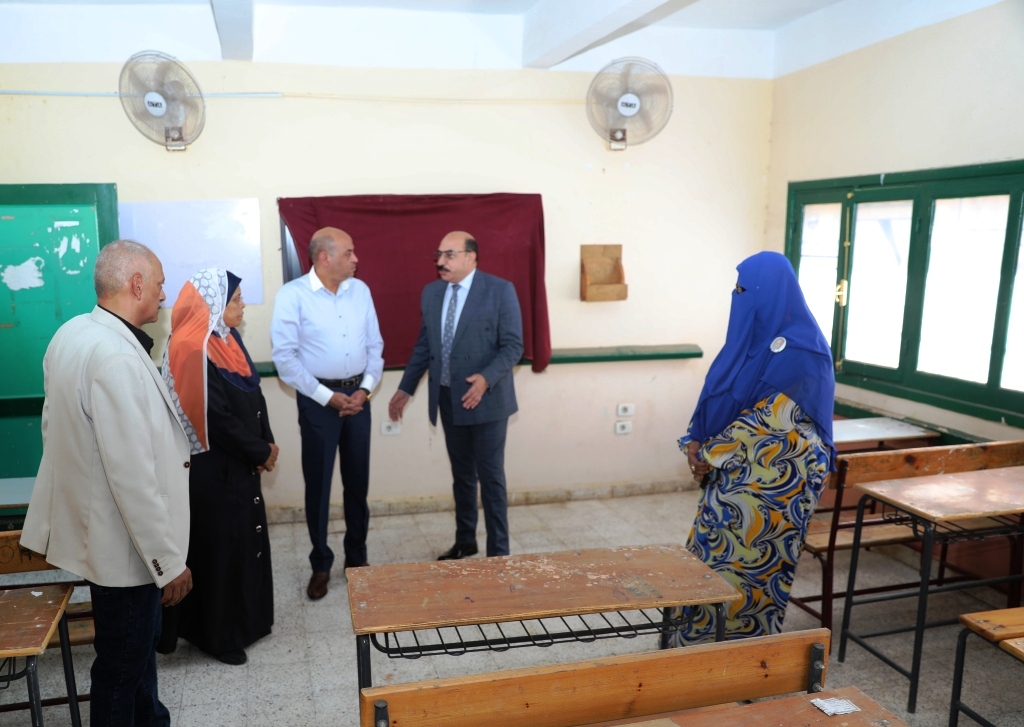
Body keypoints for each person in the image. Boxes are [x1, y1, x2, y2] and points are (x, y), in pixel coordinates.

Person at [20, 239, 192, 726]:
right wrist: (168, 563)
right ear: (136, 284)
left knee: (135, 657)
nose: (163, 294)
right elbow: (131, 476)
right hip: (127, 547)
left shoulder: (72, 333)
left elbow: (55, 434)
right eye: (159, 284)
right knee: (121, 667)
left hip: (99, 531)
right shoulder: (115, 358)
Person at [666, 251, 836, 647]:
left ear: (771, 292)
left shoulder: (804, 352)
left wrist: (706, 454)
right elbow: (717, 396)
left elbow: (771, 422)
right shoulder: (750, 343)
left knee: (752, 571)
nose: (737, 296)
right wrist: (695, 441)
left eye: (744, 290)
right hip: (731, 477)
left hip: (776, 487)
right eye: (736, 288)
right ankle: (693, 646)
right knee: (708, 560)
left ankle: (744, 656)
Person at [160, 268, 278, 665]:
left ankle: (250, 622)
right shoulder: (190, 347)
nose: (242, 305)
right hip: (211, 470)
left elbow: (254, 395)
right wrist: (259, 451)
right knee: (219, 553)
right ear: (212, 303)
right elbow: (216, 418)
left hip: (241, 462)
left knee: (245, 544)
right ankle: (217, 636)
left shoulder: (228, 338)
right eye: (236, 299)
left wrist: (265, 443)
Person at [389, 231, 523, 559]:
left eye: (449, 255)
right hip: (448, 400)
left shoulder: (499, 290)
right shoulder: (432, 293)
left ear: (470, 257)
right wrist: (405, 388)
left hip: (487, 402)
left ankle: (498, 554)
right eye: (438, 254)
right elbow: (424, 346)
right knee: (462, 476)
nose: (440, 262)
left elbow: (513, 347)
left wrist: (486, 379)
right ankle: (465, 541)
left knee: (491, 479)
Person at [271, 227, 384, 600]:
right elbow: (285, 358)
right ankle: (321, 563)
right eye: (349, 252)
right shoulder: (293, 296)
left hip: (359, 399)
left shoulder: (360, 290)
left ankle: (357, 557)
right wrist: (327, 397)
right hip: (317, 400)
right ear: (325, 257)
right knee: (318, 486)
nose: (356, 259)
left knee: (358, 484)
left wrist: (365, 390)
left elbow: (375, 346)